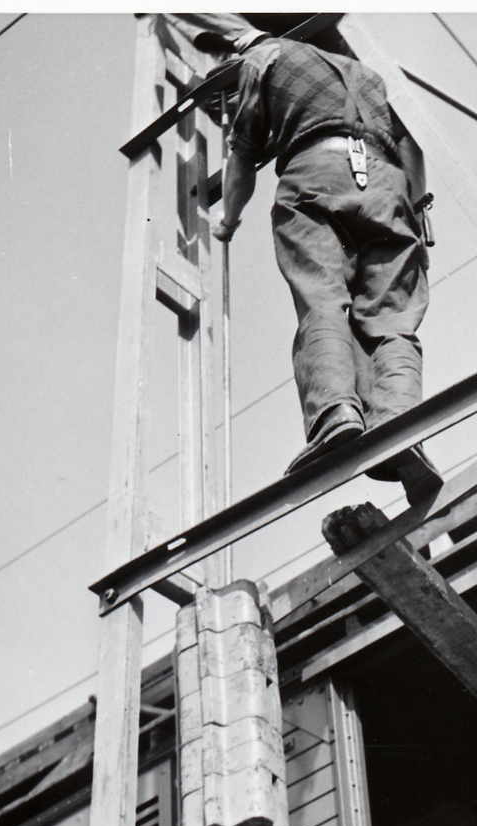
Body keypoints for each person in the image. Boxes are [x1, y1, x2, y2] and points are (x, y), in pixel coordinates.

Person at [169, 14, 442, 505]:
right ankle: (404, 425)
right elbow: (410, 147)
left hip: (317, 172)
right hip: (388, 187)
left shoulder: (263, 57)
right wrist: (416, 212)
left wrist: (228, 220)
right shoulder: (367, 75)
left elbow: (243, 159)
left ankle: (335, 412)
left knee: (322, 297)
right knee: (392, 320)